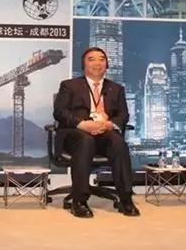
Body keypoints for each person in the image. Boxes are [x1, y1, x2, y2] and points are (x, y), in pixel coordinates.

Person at [53, 47, 139, 218]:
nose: (97, 63)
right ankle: (79, 201)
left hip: (104, 133)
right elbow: (60, 112)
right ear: (83, 64)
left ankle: (126, 199)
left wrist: (109, 124)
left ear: (107, 65)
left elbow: (123, 115)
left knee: (117, 142)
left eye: (102, 59)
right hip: (76, 135)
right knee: (86, 140)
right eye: (91, 59)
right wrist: (82, 124)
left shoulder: (116, 88)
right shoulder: (69, 85)